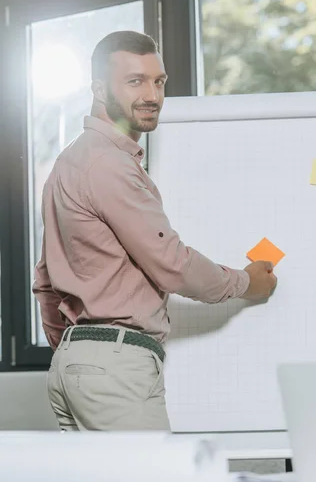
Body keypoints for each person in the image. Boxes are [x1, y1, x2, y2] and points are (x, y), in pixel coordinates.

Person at [32, 31, 278, 431]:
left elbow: (45, 282)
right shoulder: (109, 165)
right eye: (134, 81)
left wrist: (78, 355)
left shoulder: (68, 162)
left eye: (158, 81)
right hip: (115, 367)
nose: (152, 95)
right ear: (98, 88)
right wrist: (245, 283)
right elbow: (172, 263)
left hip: (74, 367)